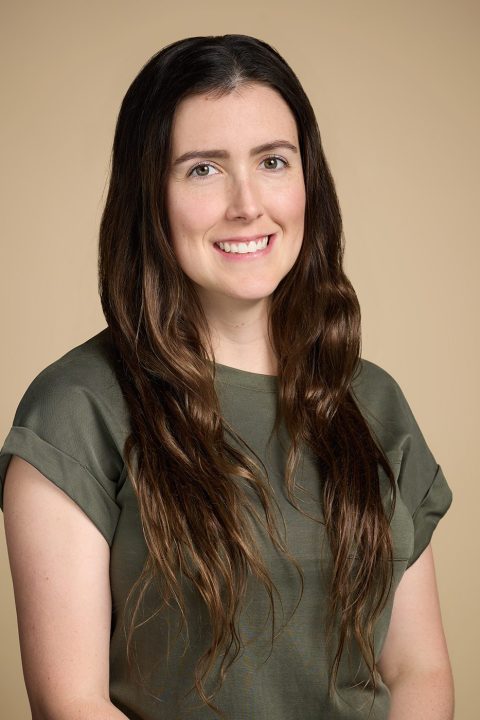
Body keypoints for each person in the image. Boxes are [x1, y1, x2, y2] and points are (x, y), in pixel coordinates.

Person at [0, 34, 454, 720]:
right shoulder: (77, 410)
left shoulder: (373, 401)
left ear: (309, 182)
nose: (247, 203)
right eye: (203, 170)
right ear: (149, 195)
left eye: (273, 161)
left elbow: (419, 670)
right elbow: (71, 701)